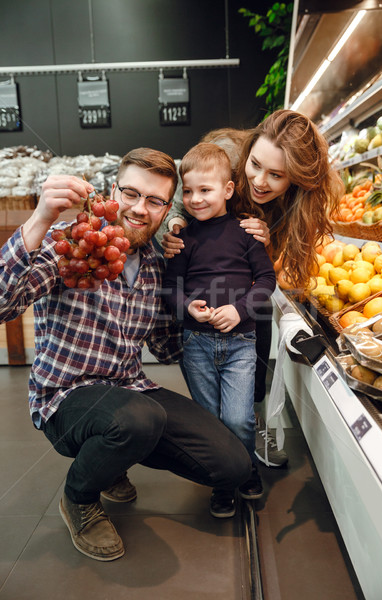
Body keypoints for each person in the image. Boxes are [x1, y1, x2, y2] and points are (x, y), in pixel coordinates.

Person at [0, 147, 252, 562]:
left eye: (154, 201)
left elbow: (166, 347)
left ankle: (114, 459)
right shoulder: (74, 243)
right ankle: (79, 497)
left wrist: (209, 303)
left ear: (167, 208)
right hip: (65, 397)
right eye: (131, 194)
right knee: (137, 419)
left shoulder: (157, 264)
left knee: (233, 464)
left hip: (131, 388)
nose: (139, 209)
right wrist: (41, 216)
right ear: (112, 191)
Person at [162, 110, 343, 465]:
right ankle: (223, 450)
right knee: (209, 402)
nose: (260, 181)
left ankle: (247, 421)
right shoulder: (224, 156)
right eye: (256, 165)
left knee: (250, 361)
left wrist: (268, 240)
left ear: (299, 180)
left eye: (276, 175)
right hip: (197, 292)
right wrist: (174, 225)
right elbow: (184, 196)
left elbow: (268, 272)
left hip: (242, 295)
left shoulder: (295, 205)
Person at [163, 142, 276, 518]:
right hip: (196, 343)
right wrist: (187, 308)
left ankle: (246, 468)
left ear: (228, 190)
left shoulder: (246, 231)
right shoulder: (184, 239)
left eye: (205, 190)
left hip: (242, 342)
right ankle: (223, 482)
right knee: (209, 421)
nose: (195, 199)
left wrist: (239, 309)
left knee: (238, 418)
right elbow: (171, 288)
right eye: (189, 191)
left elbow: (265, 280)